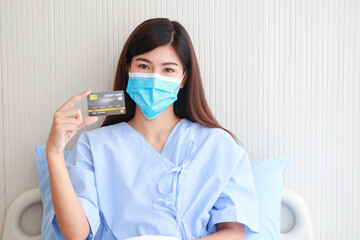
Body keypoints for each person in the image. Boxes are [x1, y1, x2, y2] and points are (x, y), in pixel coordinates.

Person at [46, 18, 259, 240]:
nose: (154, 79)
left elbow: (234, 233)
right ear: (128, 68)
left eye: (168, 69)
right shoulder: (94, 145)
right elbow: (76, 233)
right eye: (144, 66)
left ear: (184, 78)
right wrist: (54, 152)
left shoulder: (218, 145)